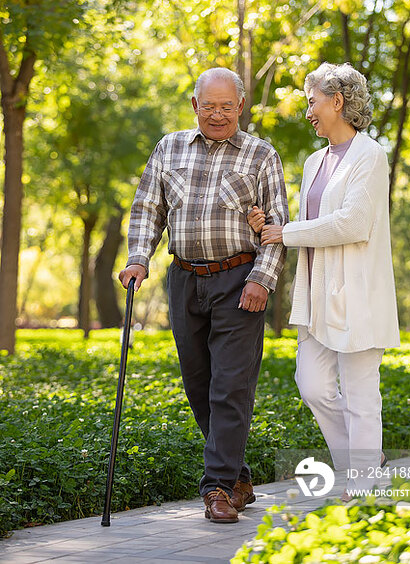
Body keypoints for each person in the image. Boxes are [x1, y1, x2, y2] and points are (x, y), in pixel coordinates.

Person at [119, 67, 288, 522]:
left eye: (226, 106)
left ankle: (215, 488)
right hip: (184, 278)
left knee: (229, 386)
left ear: (241, 106)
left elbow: (277, 226)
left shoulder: (260, 154)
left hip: (239, 280)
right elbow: (147, 209)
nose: (217, 114)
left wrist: (262, 279)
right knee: (199, 385)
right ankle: (237, 477)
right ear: (195, 105)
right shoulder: (169, 147)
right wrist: (138, 258)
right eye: (208, 106)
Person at [248, 62, 400, 498]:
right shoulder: (315, 161)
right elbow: (312, 222)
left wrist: (287, 233)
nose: (308, 111)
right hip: (315, 293)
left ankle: (367, 481)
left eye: (312, 101)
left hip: (357, 294)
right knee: (312, 385)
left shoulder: (369, 155)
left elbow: (353, 223)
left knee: (359, 394)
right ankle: (363, 464)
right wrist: (272, 223)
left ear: (337, 101)